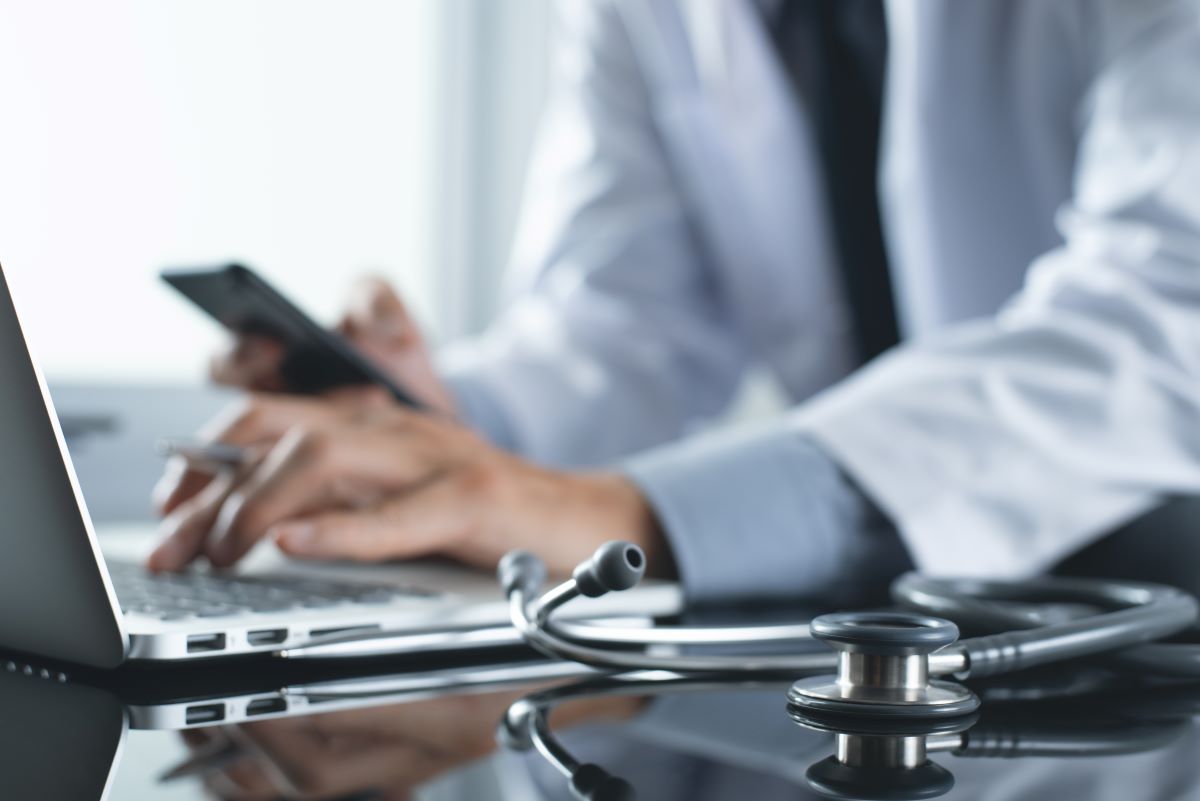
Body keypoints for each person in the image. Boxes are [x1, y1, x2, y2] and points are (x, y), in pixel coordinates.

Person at [150, 0, 1200, 608]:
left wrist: (630, 518)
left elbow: (1166, 315)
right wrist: (441, 425)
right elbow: (626, 320)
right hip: (901, 627)